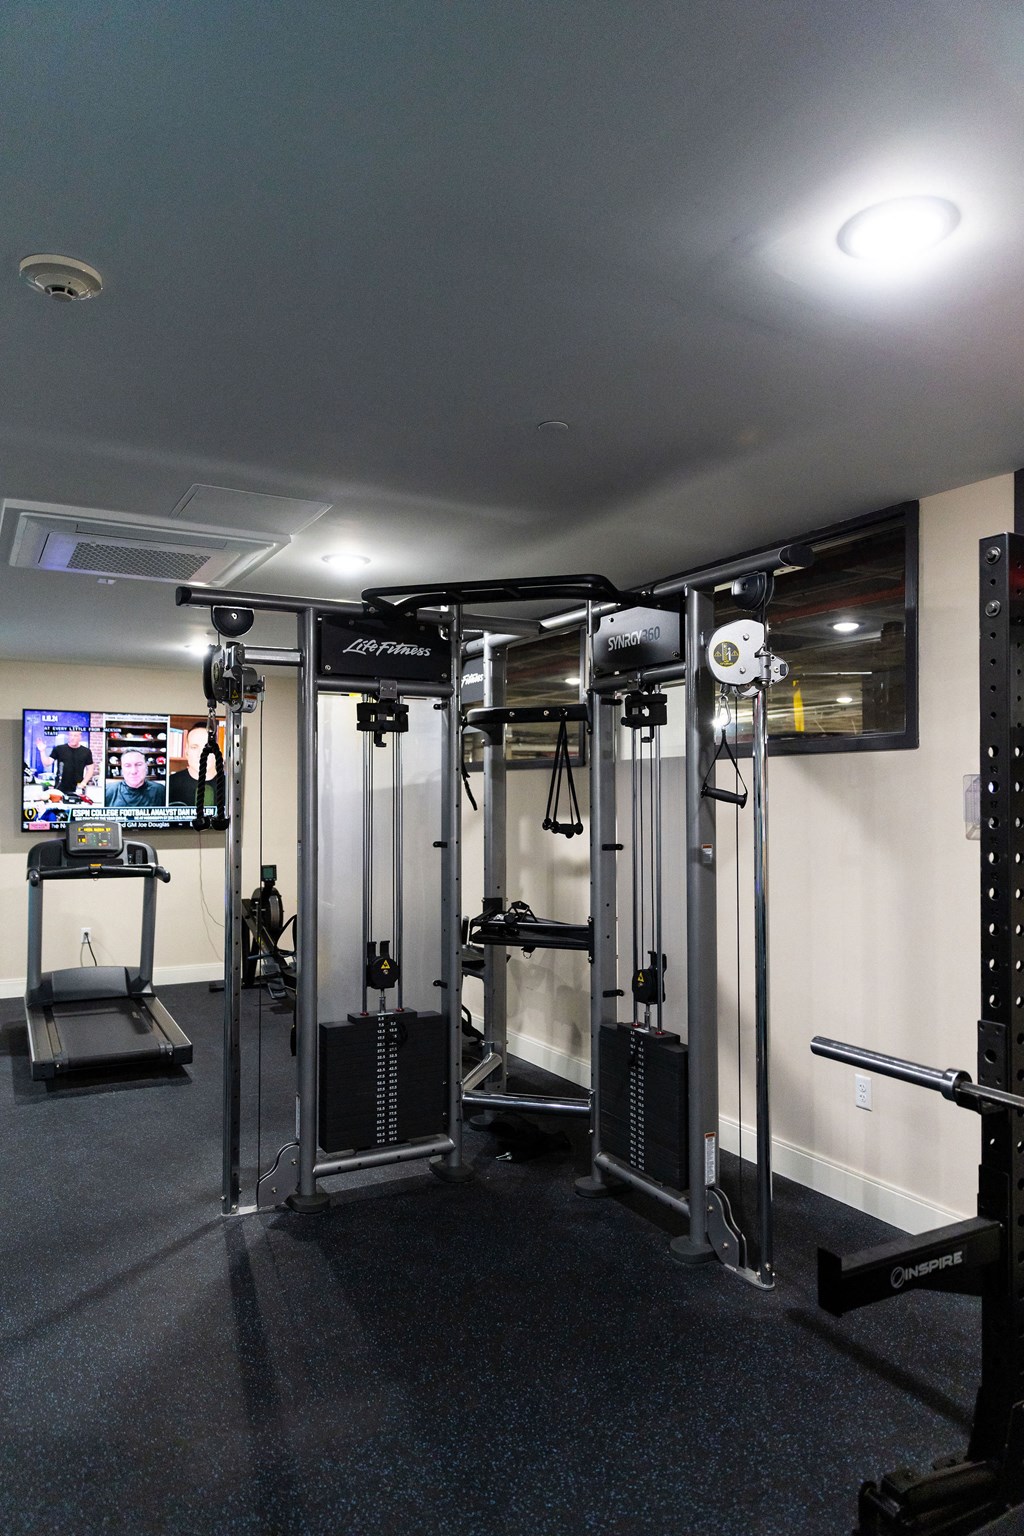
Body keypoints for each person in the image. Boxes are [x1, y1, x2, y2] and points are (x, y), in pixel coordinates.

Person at [168, 722, 217, 808]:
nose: (201, 754)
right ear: (186, 752)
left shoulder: (231, 786)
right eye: (194, 747)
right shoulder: (169, 784)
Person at [38, 727, 95, 795]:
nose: (72, 738)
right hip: (60, 788)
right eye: (70, 735)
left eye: (75, 735)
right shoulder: (59, 749)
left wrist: (84, 783)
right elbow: (47, 763)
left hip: (78, 788)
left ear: (80, 737)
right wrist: (42, 751)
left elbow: (90, 769)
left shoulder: (86, 751)